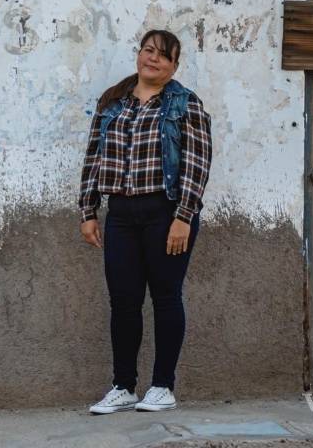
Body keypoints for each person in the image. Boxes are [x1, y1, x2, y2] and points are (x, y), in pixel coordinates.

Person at [78, 29, 213, 414]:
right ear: (138, 55)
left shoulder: (186, 104)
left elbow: (197, 164)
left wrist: (183, 217)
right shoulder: (112, 104)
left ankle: (163, 387)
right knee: (123, 302)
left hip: (166, 213)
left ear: (174, 66)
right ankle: (123, 386)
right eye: (148, 51)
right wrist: (88, 210)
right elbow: (94, 157)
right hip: (120, 214)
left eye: (163, 56)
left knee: (166, 297)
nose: (153, 59)